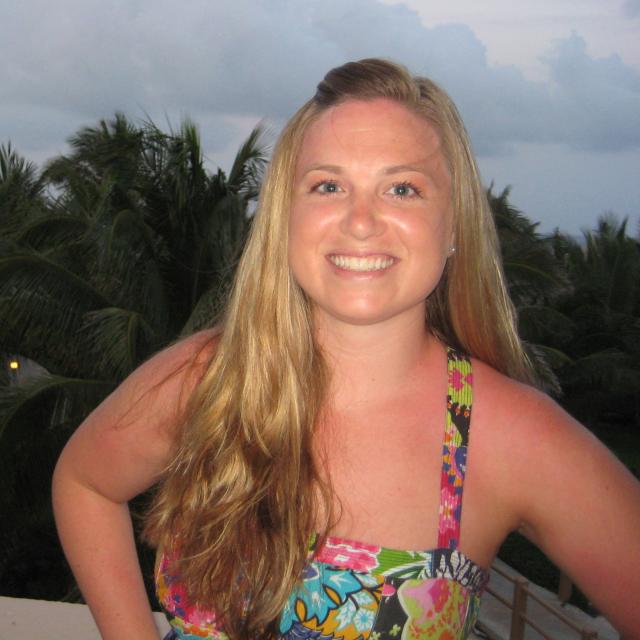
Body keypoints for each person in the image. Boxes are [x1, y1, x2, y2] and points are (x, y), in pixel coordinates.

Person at [52, 58, 640, 640]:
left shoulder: (510, 437)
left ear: (454, 224)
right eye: (328, 185)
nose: (361, 222)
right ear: (286, 216)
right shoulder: (209, 379)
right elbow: (85, 483)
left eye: (402, 188)